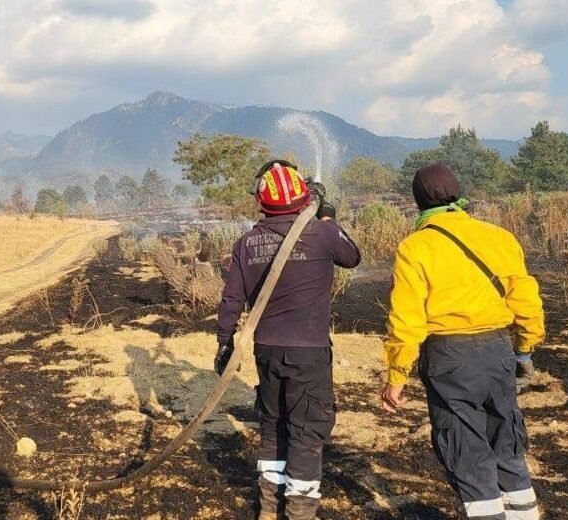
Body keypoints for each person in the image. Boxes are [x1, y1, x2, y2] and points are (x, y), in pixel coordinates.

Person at [380, 163, 545, 520]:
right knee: (508, 445)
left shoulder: (415, 247)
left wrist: (396, 376)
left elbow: (407, 320)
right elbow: (526, 299)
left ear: (418, 202)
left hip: (449, 357)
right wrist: (525, 349)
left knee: (466, 452)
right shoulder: (500, 237)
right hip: (499, 350)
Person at [215, 160, 361, 520]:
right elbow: (352, 256)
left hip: (268, 351)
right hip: (308, 352)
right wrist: (327, 217)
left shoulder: (246, 243)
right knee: (306, 430)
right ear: (304, 198)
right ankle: (299, 513)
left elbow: (231, 300)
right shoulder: (322, 233)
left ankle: (268, 508)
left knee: (272, 426)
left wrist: (224, 344)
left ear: (261, 202)